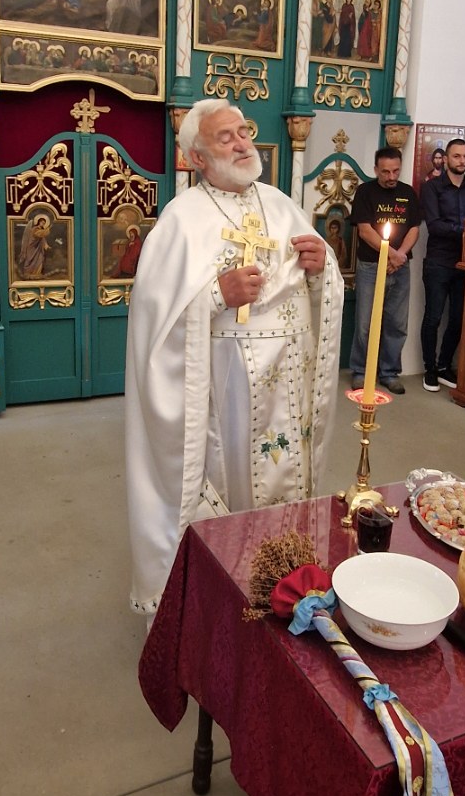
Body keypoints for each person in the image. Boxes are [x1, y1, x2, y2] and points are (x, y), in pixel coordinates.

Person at [124, 99, 344, 615]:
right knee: (235, 486)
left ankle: (288, 585)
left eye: (243, 132)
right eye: (225, 138)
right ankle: (225, 595)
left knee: (288, 484)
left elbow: (320, 281)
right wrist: (215, 295)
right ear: (197, 158)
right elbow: (154, 319)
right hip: (226, 395)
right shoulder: (181, 221)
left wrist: (322, 267)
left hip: (288, 384)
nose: (243, 143)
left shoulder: (282, 205)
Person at [348, 145, 422, 396]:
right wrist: (392, 254)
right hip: (371, 266)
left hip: (400, 268)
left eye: (395, 171)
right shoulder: (365, 192)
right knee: (365, 323)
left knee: (396, 323)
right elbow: (365, 230)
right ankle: (360, 371)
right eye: (385, 172)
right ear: (376, 170)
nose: (391, 177)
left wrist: (400, 256)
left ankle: (389, 372)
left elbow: (414, 228)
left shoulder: (408, 193)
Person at [419, 137, 465, 391]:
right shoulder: (432, 187)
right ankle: (429, 369)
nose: (462, 161)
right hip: (438, 261)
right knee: (433, 317)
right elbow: (435, 226)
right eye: (457, 156)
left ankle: (444, 366)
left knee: (458, 318)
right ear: (445, 159)